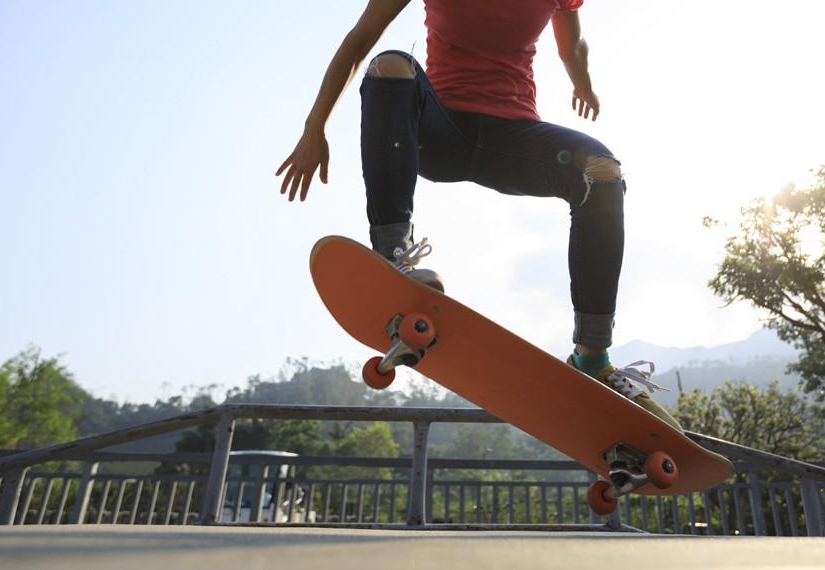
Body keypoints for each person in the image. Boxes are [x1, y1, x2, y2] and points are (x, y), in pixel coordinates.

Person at [276, 0, 679, 429]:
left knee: (601, 173)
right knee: (389, 66)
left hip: (514, 141)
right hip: (441, 132)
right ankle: (393, 254)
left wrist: (584, 85)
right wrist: (313, 126)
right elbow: (359, 41)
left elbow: (572, 45)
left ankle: (594, 358)